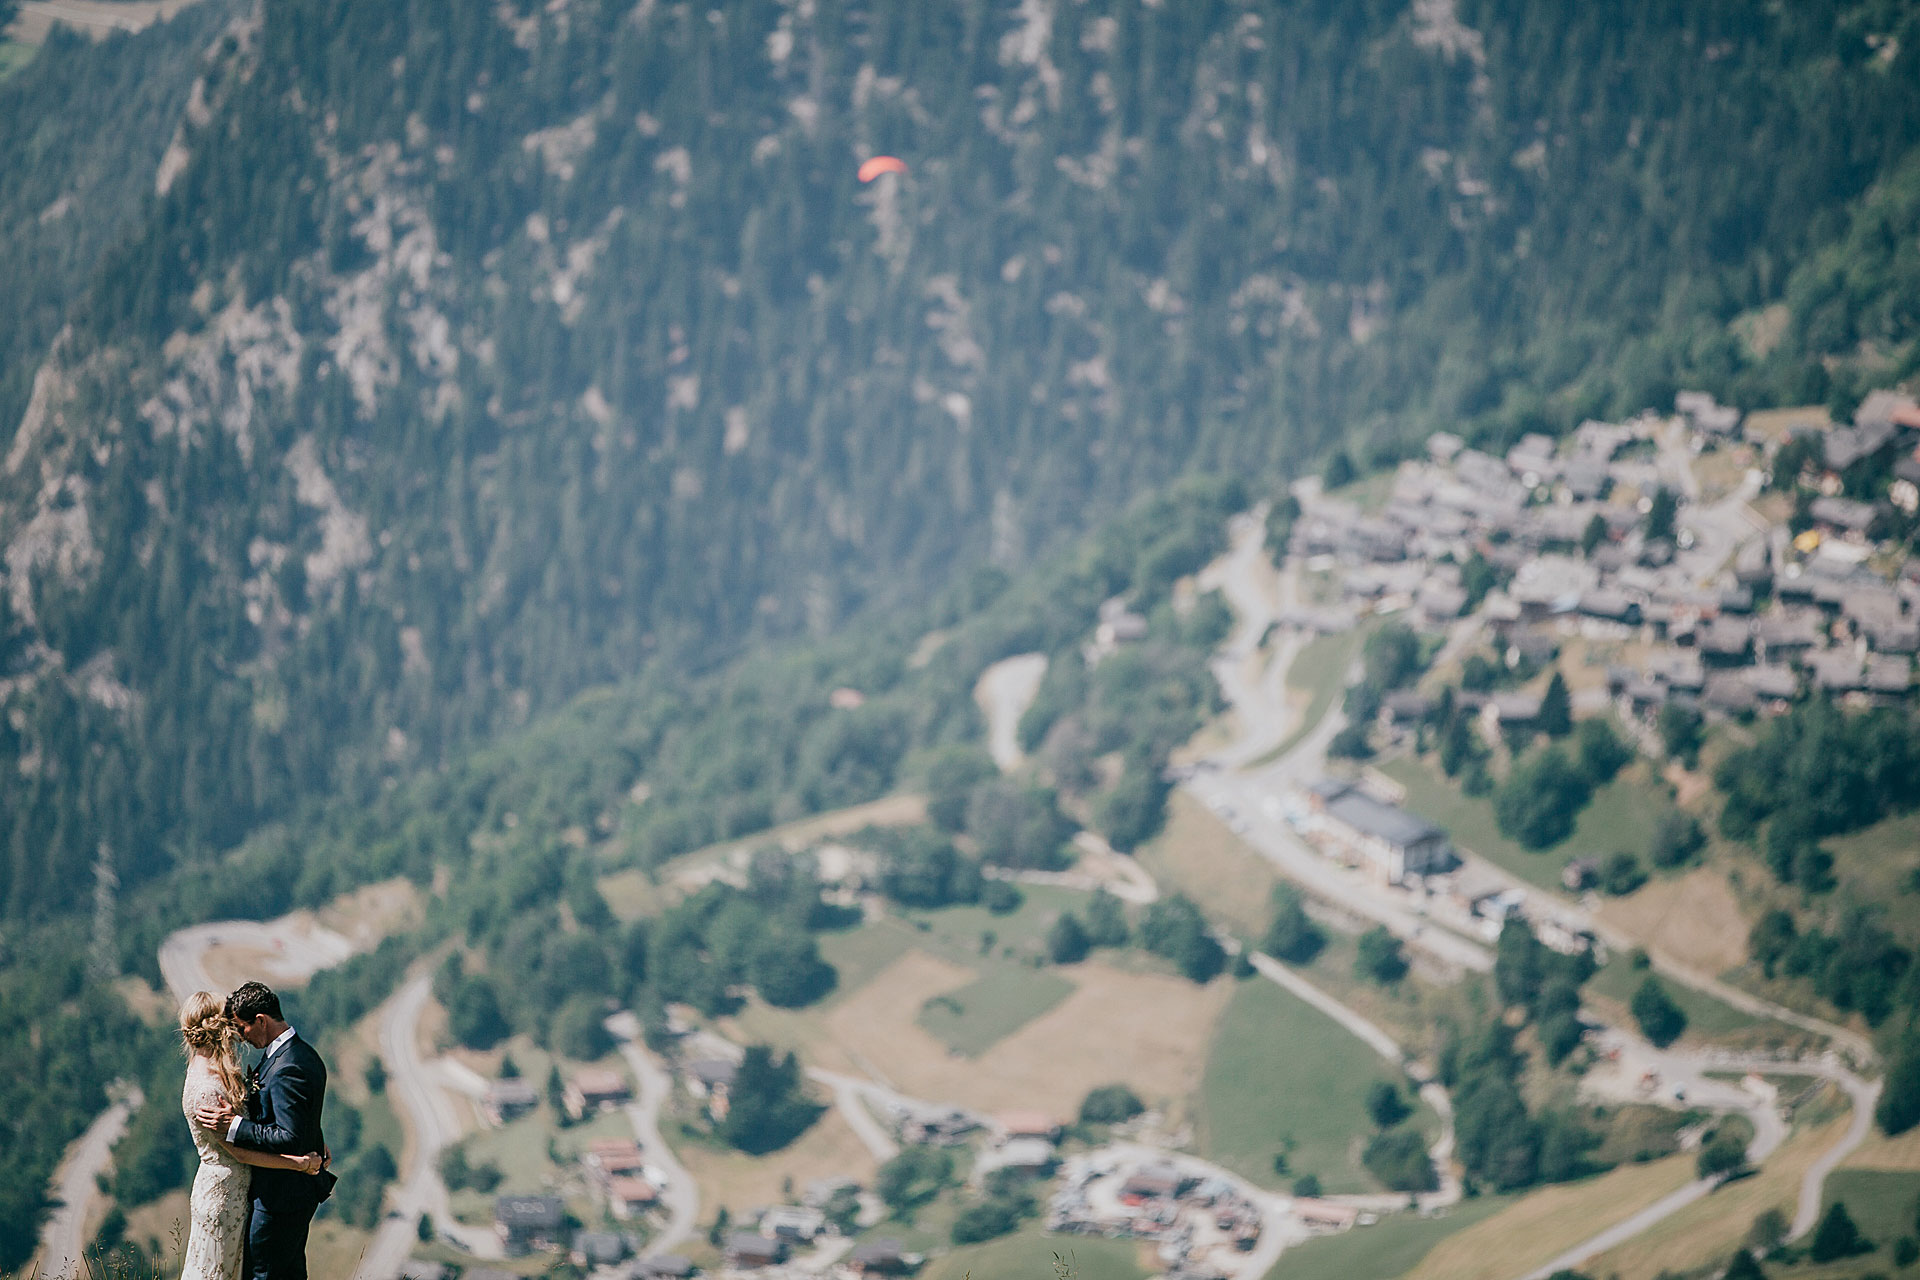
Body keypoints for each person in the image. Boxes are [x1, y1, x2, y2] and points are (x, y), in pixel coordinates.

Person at [177, 992, 327, 1280]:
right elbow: (238, 1152)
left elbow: (292, 1116)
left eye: (241, 1026)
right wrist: (303, 1163)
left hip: (262, 1194)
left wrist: (312, 1140)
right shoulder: (209, 1087)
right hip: (225, 1192)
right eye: (233, 1026)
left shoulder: (281, 1062)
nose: (240, 1035)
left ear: (260, 1020)